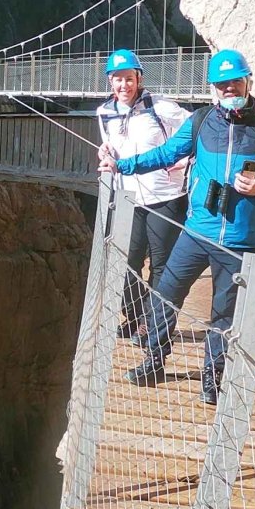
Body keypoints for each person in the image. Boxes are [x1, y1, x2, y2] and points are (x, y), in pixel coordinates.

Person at [99, 49, 255, 405]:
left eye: (235, 82)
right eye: (222, 85)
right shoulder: (202, 121)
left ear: (248, 82)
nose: (229, 89)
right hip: (197, 231)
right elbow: (166, 154)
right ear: (213, 88)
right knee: (164, 296)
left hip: (240, 241)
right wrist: (122, 166)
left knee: (223, 314)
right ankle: (154, 362)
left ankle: (213, 378)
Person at [96, 48, 191, 343]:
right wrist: (105, 151)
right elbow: (113, 147)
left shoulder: (162, 107)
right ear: (110, 82)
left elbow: (196, 133)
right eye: (117, 79)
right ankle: (135, 317)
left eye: (128, 78)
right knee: (127, 261)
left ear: (139, 78)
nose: (123, 85)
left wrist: (182, 161)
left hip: (166, 196)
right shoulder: (105, 113)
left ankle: (152, 324)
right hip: (129, 198)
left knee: (161, 265)